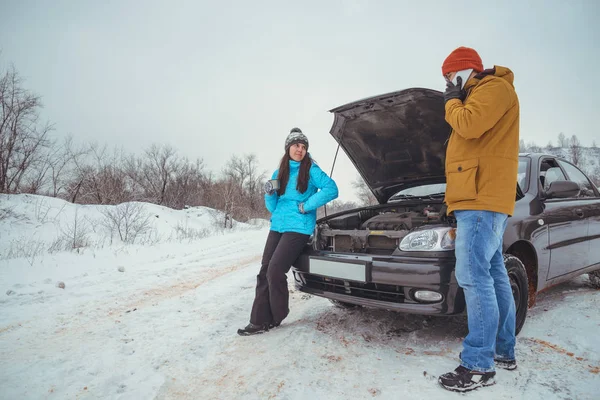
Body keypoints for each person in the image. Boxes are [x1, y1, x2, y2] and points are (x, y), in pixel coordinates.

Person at [437, 47, 520, 392]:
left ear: (461, 72)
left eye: (448, 78)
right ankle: (502, 350)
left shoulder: (492, 89)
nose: (446, 85)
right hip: (478, 198)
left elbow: (468, 126)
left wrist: (452, 100)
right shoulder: (485, 93)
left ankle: (478, 365)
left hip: (482, 200)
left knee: (472, 275)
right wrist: (450, 200)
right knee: (493, 272)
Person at [237, 127, 338, 336]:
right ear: (288, 148)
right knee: (264, 270)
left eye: (303, 146)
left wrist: (307, 205)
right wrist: (269, 194)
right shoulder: (279, 172)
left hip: (298, 227)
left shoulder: (311, 169)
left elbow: (331, 188)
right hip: (278, 225)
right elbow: (273, 207)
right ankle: (258, 321)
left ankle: (277, 315)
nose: (300, 150)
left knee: (275, 270)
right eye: (296, 145)